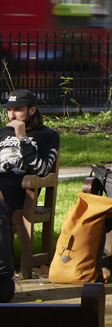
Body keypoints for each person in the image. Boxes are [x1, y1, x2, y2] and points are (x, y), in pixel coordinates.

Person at [0, 90, 60, 303]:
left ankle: (3, 280)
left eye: (17, 110)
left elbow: (42, 170)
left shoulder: (48, 135)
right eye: (9, 110)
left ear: (32, 110)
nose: (12, 115)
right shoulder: (2, 133)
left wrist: (23, 137)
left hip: (20, 186)